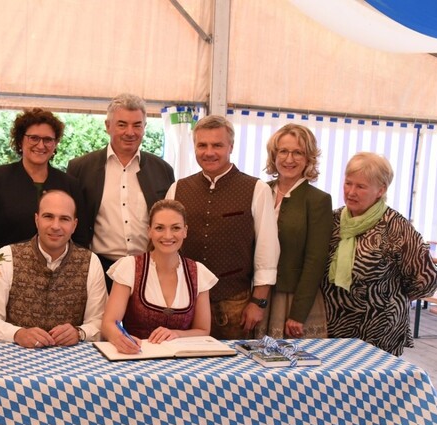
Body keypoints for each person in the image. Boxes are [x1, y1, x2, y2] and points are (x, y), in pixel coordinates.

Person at [0, 108, 88, 342]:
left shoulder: (69, 183)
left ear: (55, 143)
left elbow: (80, 240)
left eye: (48, 139)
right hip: (1, 282)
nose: (41, 145)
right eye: (34, 138)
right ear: (21, 140)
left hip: (56, 287)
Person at [166, 115, 280, 340]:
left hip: (234, 302)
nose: (209, 152)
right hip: (183, 300)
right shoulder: (178, 188)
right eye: (202, 145)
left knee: (234, 372)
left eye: (217, 145)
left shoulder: (256, 188)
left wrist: (258, 302)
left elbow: (267, 249)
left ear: (231, 146)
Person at [321, 152, 437, 356]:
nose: (351, 192)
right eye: (348, 183)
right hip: (332, 328)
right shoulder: (333, 220)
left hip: (378, 332)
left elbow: (426, 281)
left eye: (361, 186)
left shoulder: (397, 228)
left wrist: (389, 299)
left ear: (380, 190)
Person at [0, 190, 107, 346]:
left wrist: (80, 333)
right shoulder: (7, 256)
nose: (55, 226)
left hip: (70, 360)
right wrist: (17, 334)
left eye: (64, 219)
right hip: (14, 357)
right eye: (48, 216)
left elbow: (100, 320)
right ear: (37, 220)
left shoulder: (90, 262)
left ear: (74, 225)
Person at [67, 93, 175, 283]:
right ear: (108, 126)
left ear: (145, 127)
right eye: (122, 124)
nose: (130, 132)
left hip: (149, 268)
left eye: (137, 125)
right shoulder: (81, 168)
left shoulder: (163, 170)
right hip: (100, 269)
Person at [101, 200, 217, 354]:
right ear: (149, 231)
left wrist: (177, 334)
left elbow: (203, 330)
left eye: (175, 228)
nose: (167, 235)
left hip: (182, 362)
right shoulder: (130, 267)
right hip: (137, 357)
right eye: (159, 228)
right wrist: (120, 339)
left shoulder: (198, 272)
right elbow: (109, 323)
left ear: (185, 231)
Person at [257, 124, 332, 339]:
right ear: (274, 155)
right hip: (259, 295)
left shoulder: (317, 200)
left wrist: (298, 313)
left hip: (292, 298)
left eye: (297, 152)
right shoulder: (260, 191)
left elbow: (315, 261)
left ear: (308, 158)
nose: (289, 159)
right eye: (283, 151)